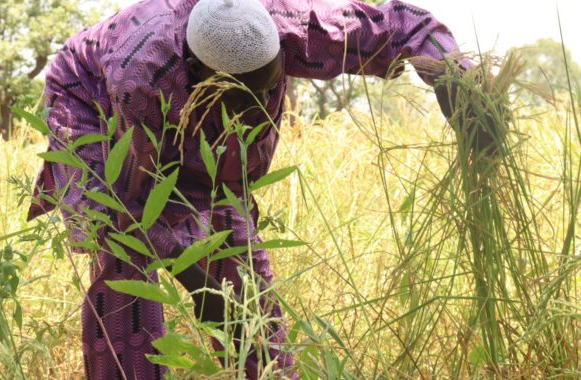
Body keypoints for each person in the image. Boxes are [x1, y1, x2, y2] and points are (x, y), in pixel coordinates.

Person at [26, 0, 473, 378]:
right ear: (198, 72)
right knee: (122, 256)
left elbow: (403, 25)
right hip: (89, 96)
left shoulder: (291, 27)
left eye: (265, 88)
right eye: (237, 97)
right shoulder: (141, 75)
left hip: (187, 108)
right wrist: (200, 289)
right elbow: (133, 207)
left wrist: (456, 76)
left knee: (241, 276)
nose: (252, 110)